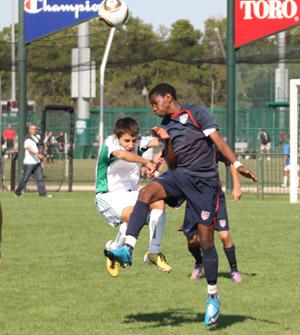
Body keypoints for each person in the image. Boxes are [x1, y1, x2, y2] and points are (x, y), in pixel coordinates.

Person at [104, 83, 257, 326]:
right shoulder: (165, 126)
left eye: (156, 103)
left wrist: (236, 165)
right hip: (180, 175)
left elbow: (218, 141)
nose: (153, 108)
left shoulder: (196, 112)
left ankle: (213, 296)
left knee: (206, 241)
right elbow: (173, 164)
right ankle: (128, 248)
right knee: (146, 193)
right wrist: (167, 141)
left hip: (205, 184)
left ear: (168, 97)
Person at [95, 117, 172, 277]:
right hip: (108, 196)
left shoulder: (138, 144)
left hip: (132, 193)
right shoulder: (111, 142)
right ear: (117, 137)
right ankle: (115, 248)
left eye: (133, 140)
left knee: (158, 201)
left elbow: (161, 142)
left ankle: (153, 252)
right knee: (132, 216)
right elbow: (122, 155)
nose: (130, 144)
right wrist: (146, 161)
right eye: (127, 140)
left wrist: (164, 139)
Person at [183, 152, 243, 283]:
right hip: (194, 198)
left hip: (215, 197)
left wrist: (237, 186)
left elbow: (232, 161)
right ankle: (199, 263)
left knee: (224, 236)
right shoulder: (188, 146)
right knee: (192, 240)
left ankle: (234, 270)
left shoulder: (213, 145)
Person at [14, 124, 52, 198]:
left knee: (39, 178)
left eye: (35, 129)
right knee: (25, 179)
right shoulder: (27, 138)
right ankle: (17, 193)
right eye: (33, 129)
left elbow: (40, 148)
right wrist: (37, 154)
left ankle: (42, 193)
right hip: (29, 163)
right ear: (29, 130)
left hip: (37, 163)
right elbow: (29, 149)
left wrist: (41, 161)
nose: (34, 130)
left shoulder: (37, 137)